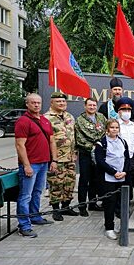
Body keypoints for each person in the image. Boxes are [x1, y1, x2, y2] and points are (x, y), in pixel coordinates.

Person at [15, 93, 58, 237]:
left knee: (37, 192)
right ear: (27, 104)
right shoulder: (23, 121)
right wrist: (26, 165)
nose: (36, 105)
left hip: (44, 163)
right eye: (33, 102)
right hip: (31, 164)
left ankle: (35, 216)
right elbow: (20, 145)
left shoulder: (45, 120)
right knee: (25, 195)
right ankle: (24, 225)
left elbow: (52, 141)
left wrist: (54, 160)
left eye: (38, 102)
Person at [44, 92, 78, 221]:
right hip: (56, 158)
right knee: (56, 183)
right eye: (58, 102)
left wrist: (74, 152)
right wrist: (52, 158)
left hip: (70, 157)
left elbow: (72, 136)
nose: (62, 104)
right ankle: (56, 209)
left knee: (69, 182)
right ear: (52, 103)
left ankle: (66, 206)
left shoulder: (69, 116)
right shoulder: (46, 118)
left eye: (63, 102)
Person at [94, 119, 130, 240]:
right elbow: (100, 161)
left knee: (120, 203)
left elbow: (127, 158)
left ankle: (121, 226)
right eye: (112, 127)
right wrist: (114, 172)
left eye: (116, 127)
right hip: (108, 177)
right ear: (107, 129)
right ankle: (109, 227)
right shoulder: (101, 143)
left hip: (122, 176)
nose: (114, 130)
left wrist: (124, 171)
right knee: (110, 203)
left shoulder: (123, 142)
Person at [75, 97, 107, 216]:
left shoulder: (101, 117)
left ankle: (92, 204)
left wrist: (100, 145)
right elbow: (80, 138)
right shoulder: (80, 120)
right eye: (90, 105)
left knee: (95, 179)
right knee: (84, 180)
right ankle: (82, 206)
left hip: (99, 153)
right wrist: (95, 145)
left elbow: (105, 132)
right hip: (86, 153)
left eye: (94, 105)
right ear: (85, 106)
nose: (92, 107)